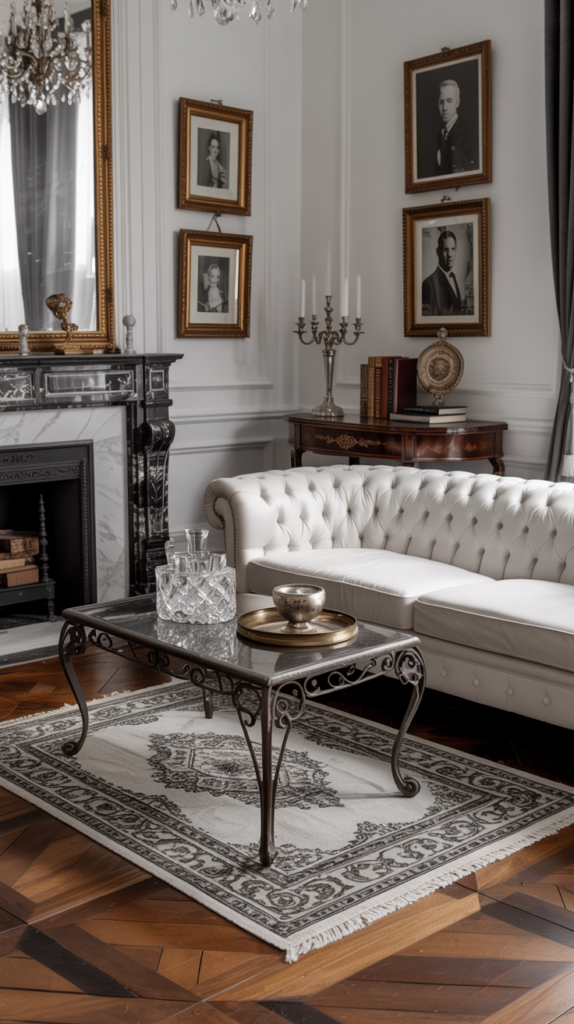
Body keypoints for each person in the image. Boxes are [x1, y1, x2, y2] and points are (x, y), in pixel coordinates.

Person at [435, 79, 475, 176]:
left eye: (449, 101)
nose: (444, 108)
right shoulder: (440, 135)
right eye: (441, 102)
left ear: (457, 102)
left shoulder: (470, 131)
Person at [422, 230, 463, 316]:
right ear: (438, 252)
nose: (450, 254)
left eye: (453, 249)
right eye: (445, 250)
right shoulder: (428, 284)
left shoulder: (454, 277)